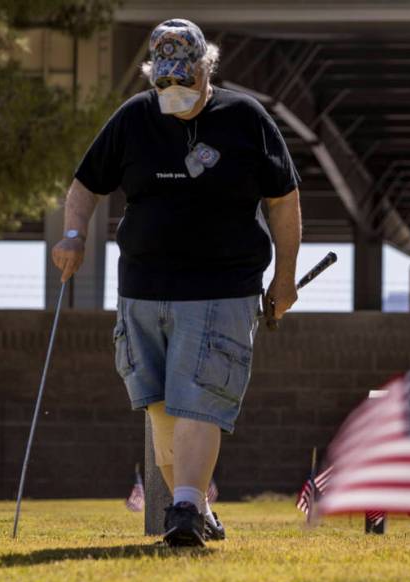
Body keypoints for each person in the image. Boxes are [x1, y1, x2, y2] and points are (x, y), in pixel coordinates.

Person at [51, 19, 302, 547]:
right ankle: (195, 506)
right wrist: (73, 234)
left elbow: (283, 200)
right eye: (163, 83)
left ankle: (183, 508)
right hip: (142, 287)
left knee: (199, 398)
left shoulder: (245, 118)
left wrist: (285, 276)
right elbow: (84, 186)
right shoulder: (134, 117)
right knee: (160, 403)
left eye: (183, 81)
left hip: (221, 286)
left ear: (206, 70)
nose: (174, 93)